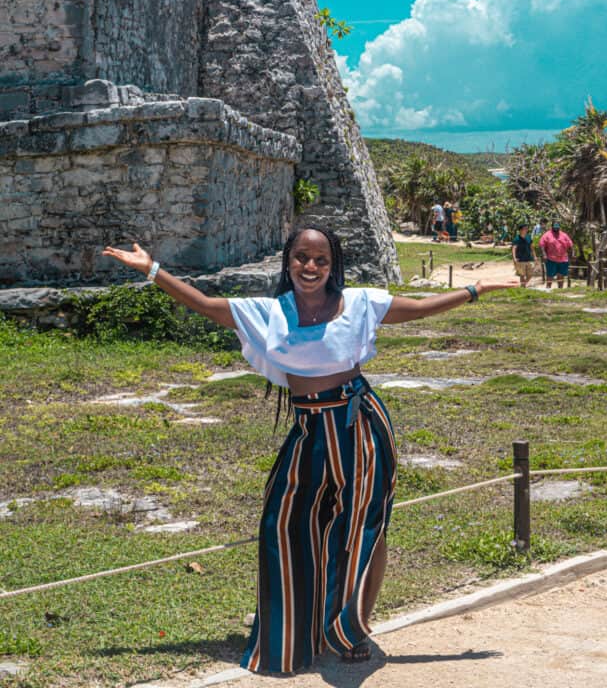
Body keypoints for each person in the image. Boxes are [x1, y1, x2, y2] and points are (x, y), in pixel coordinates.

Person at [103, 226, 517, 673]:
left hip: (359, 425)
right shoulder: (268, 314)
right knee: (284, 523)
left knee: (363, 528)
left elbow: (417, 308)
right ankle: (293, 631)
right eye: (302, 257)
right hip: (309, 430)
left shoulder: (359, 303)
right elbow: (203, 304)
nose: (311, 267)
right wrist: (152, 269)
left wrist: (475, 290)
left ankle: (353, 629)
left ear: (332, 265)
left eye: (321, 260)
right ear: (289, 261)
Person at [539, 220, 573, 289]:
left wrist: (572, 254)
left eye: (557, 227)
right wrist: (544, 255)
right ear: (552, 227)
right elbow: (542, 245)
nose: (556, 228)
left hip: (563, 259)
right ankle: (548, 289)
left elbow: (570, 245)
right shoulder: (547, 235)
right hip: (551, 259)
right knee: (550, 275)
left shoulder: (564, 235)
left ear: (559, 227)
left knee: (561, 275)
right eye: (555, 227)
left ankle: (560, 290)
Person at [511, 222, 535, 287]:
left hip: (529, 258)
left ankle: (523, 284)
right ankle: (523, 287)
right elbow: (514, 249)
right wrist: (514, 258)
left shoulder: (529, 237)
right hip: (520, 259)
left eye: (527, 229)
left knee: (531, 274)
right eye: (525, 229)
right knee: (522, 275)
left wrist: (534, 256)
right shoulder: (516, 239)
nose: (526, 230)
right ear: (520, 230)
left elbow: (532, 247)